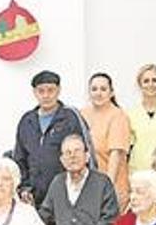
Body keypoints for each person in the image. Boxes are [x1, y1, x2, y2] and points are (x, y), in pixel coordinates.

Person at [14, 70, 96, 207]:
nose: (46, 95)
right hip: (34, 197)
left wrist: (86, 187)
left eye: (51, 90)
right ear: (34, 92)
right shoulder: (26, 120)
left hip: (67, 192)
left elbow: (88, 154)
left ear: (58, 90)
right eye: (41, 91)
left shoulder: (71, 117)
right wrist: (24, 187)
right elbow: (19, 158)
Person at [80, 72, 130, 212]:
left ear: (111, 92)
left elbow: (117, 155)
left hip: (111, 187)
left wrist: (106, 189)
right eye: (94, 89)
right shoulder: (82, 114)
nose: (98, 93)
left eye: (103, 89)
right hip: (87, 188)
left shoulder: (118, 116)